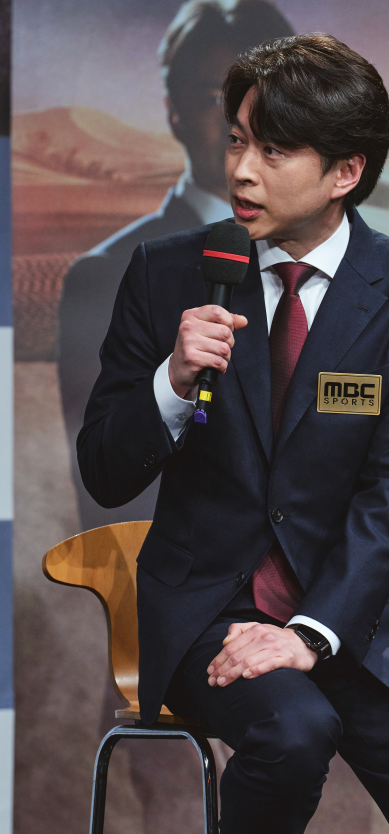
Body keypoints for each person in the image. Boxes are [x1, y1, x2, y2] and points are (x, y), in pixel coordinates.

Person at [78, 34, 389, 834]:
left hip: (360, 617)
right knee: (294, 731)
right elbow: (104, 472)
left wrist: (311, 633)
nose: (241, 170)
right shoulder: (166, 273)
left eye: (274, 150)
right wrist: (173, 380)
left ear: (345, 172)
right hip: (209, 608)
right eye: (238, 140)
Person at [58, 0, 294, 533]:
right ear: (173, 110)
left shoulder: (345, 267)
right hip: (181, 573)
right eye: (216, 98)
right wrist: (172, 382)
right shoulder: (108, 271)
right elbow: (107, 489)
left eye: (267, 101)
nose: (241, 124)